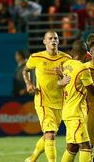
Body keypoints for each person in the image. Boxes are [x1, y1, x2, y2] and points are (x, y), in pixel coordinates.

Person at [60, 40, 94, 162]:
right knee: (86, 147)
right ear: (86, 53)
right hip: (76, 113)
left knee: (72, 147)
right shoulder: (82, 68)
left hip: (67, 110)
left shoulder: (65, 64)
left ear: (71, 52)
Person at [23, 30, 72, 162]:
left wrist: (62, 78)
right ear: (44, 41)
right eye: (50, 38)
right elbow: (25, 70)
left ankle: (32, 158)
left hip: (60, 102)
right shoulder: (36, 58)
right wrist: (28, 83)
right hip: (43, 101)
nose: (53, 41)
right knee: (50, 134)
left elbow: (70, 79)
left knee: (49, 134)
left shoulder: (66, 58)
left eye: (55, 38)